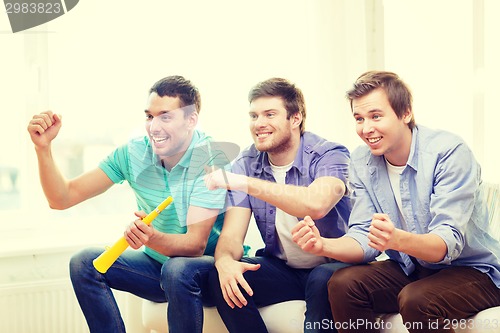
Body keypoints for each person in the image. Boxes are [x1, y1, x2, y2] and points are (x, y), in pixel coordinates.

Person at [292, 71, 500, 333]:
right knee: (342, 282)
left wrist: (396, 240)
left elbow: (447, 243)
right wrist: (322, 245)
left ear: (405, 114)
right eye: (359, 118)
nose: (366, 128)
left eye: (376, 116)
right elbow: (362, 237)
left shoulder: (448, 152)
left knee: (417, 300)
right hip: (412, 266)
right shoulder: (361, 161)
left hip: (473, 271)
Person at [26, 75, 229, 333]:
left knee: (177, 268)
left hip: (204, 273)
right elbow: (62, 198)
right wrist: (43, 148)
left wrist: (150, 237)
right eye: (149, 116)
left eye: (165, 116)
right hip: (159, 269)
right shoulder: (133, 153)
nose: (154, 127)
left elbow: (195, 245)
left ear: (191, 120)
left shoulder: (209, 157)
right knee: (85, 263)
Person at [204, 77, 352, 333]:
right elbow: (231, 235)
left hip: (335, 265)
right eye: (254, 115)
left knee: (320, 279)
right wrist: (225, 261)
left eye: (269, 114)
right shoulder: (247, 163)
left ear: (295, 118)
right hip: (285, 268)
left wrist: (244, 183)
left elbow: (316, 204)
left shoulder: (330, 154)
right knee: (224, 279)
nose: (259, 124)